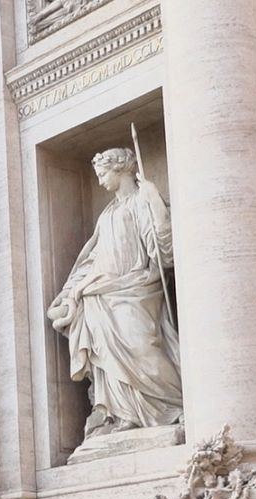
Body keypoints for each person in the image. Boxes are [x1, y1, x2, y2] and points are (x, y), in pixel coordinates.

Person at [47, 147, 183, 440]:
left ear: (122, 170)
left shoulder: (143, 201)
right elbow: (92, 260)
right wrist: (70, 292)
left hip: (137, 288)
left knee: (142, 346)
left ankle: (175, 404)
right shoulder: (107, 214)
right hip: (101, 294)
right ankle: (125, 414)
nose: (99, 182)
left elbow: (163, 253)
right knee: (108, 357)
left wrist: (156, 206)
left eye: (103, 174)